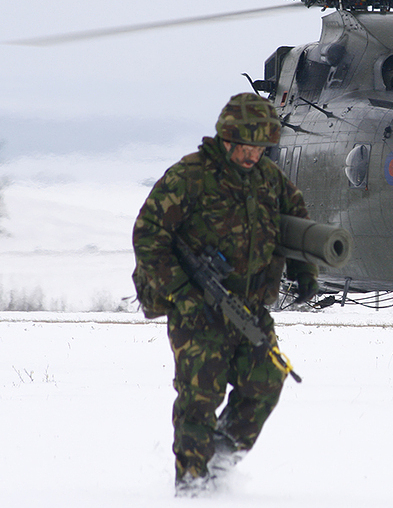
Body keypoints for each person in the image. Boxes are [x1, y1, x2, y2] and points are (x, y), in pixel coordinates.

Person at [131, 92, 319, 495]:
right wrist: (182, 292)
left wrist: (306, 269)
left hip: (248, 307)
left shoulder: (267, 180)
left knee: (268, 378)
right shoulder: (190, 177)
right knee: (200, 397)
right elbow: (148, 235)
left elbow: (296, 215)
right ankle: (193, 485)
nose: (254, 156)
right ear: (228, 140)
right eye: (248, 148)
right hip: (197, 309)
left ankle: (221, 459)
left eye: (261, 149)